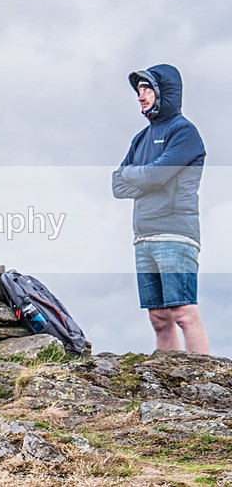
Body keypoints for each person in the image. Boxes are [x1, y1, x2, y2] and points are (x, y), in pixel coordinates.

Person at [112, 64, 209, 354]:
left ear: (164, 93)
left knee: (182, 312)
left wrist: (145, 176)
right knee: (158, 317)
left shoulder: (184, 132)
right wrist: (149, 177)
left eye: (148, 89)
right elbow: (117, 184)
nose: (141, 96)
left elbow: (155, 176)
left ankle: (204, 380)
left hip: (176, 233)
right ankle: (171, 380)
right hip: (143, 236)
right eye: (139, 90)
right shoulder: (140, 139)